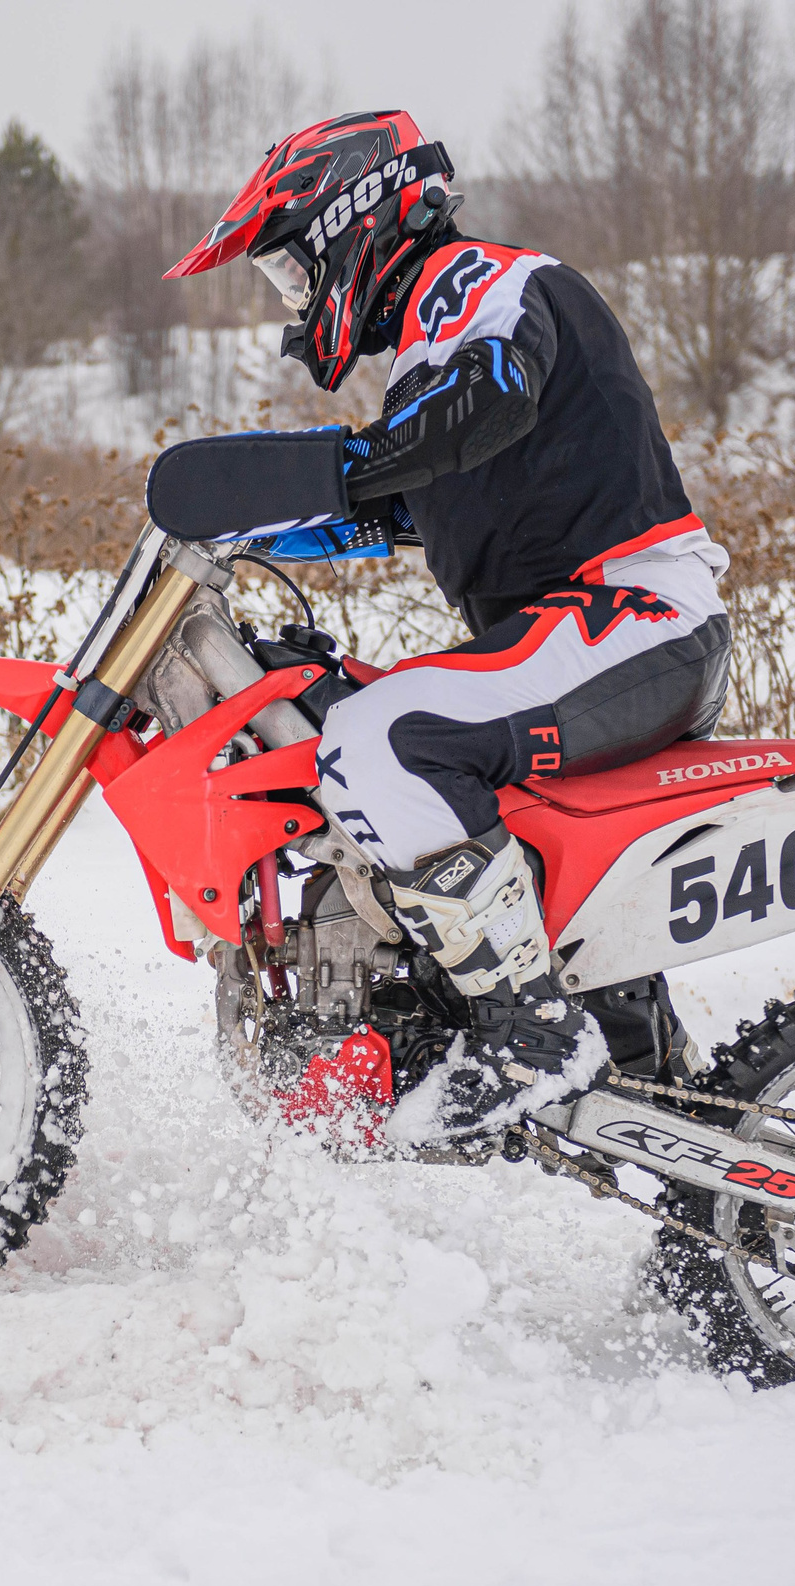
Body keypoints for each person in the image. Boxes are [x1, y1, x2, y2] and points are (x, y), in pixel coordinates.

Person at [148, 110, 731, 1134]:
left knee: (380, 738)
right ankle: (692, 1158)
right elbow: (406, 504)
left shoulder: (476, 286)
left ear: (354, 222)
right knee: (342, 704)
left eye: (295, 272)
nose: (297, 300)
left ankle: (528, 1031)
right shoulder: (432, 332)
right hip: (594, 629)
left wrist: (334, 465)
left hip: (630, 615)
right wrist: (244, 534)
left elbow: (482, 402)